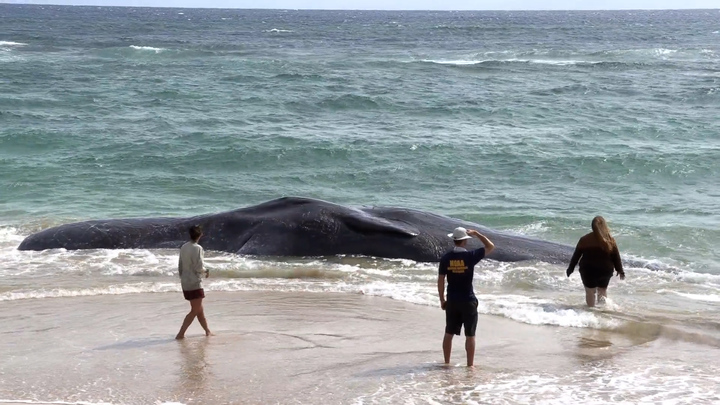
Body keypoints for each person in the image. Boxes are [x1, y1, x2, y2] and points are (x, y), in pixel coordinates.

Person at [438, 226, 495, 367]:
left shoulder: (446, 258)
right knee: (470, 335)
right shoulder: (470, 256)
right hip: (468, 300)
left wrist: (442, 300)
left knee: (448, 333)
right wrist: (476, 233)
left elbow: (440, 280)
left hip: (452, 300)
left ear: (454, 240)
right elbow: (490, 246)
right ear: (465, 241)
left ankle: (446, 363)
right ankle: (470, 365)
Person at [566, 216, 626, 307]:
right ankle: (602, 312)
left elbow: (576, 256)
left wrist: (570, 269)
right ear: (604, 226)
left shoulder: (584, 239)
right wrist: (620, 270)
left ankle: (591, 311)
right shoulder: (610, 240)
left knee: (590, 292)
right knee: (602, 291)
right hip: (605, 270)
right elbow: (616, 257)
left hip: (588, 270)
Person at [176, 225, 212, 339]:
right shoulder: (198, 248)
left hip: (185, 282)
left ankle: (207, 331)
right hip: (195, 282)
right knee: (195, 310)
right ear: (200, 235)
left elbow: (180, 265)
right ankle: (180, 334)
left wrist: (182, 278)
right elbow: (199, 267)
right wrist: (206, 271)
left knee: (199, 309)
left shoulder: (184, 247)